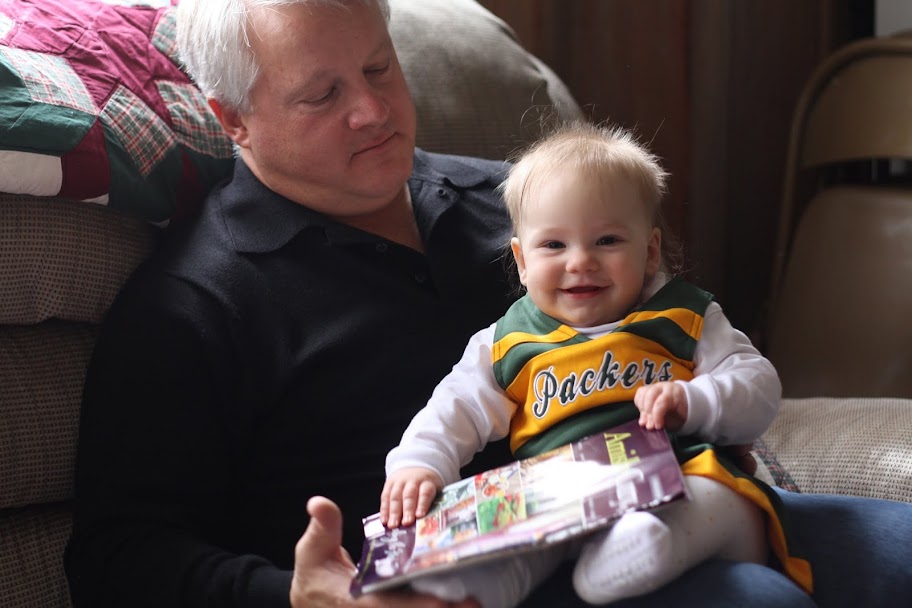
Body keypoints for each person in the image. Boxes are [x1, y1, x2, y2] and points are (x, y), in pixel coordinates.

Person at [62, 0, 912, 607]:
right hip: (481, 582)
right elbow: (116, 555)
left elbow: (679, 326)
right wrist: (298, 594)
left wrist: (713, 407)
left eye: (379, 68)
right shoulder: (193, 304)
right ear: (233, 119)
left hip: (669, 496)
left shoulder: (522, 203)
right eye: (323, 95)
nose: (373, 111)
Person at [380, 122, 808, 607]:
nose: (580, 261)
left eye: (607, 240)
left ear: (649, 252)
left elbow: (758, 386)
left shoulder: (684, 316)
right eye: (554, 245)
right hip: (559, 500)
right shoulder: (505, 342)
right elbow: (453, 409)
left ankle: (651, 545)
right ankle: (474, 585)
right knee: (519, 540)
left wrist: (694, 401)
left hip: (683, 480)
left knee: (714, 496)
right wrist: (419, 465)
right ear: (521, 261)